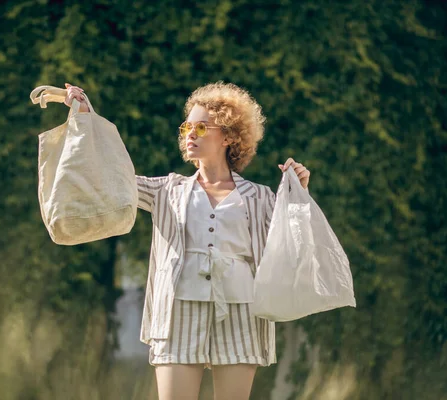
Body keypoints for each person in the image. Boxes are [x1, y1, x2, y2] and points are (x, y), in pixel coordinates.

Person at [63, 82, 311, 400]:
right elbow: (109, 176)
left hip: (240, 313)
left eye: (202, 126)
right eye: (187, 126)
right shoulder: (167, 190)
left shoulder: (260, 197)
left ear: (230, 136)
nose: (190, 133)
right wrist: (86, 118)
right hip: (177, 312)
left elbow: (296, 245)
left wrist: (298, 193)